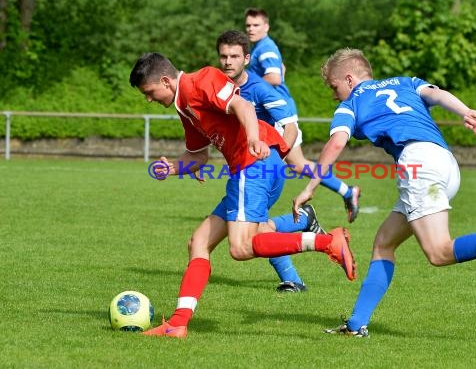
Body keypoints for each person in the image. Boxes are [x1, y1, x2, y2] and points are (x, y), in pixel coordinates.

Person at [292, 48, 476, 337]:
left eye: (334, 86)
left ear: (349, 79)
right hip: (444, 160)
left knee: (439, 252)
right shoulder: (404, 81)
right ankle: (356, 324)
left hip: (417, 165)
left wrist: (310, 187)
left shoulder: (351, 104)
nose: (334, 94)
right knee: (384, 242)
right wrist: (464, 111)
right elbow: (437, 95)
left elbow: (336, 144)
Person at [129, 52, 357, 338]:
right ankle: (178, 323)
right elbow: (198, 157)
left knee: (240, 248)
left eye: (149, 92)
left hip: (253, 164)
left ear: (165, 80)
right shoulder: (183, 105)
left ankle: (327, 241)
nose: (149, 99)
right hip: (255, 167)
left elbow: (243, 105)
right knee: (199, 241)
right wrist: (172, 168)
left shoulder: (201, 80)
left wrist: (251, 137)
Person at [216, 29, 327, 293]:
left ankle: (305, 240)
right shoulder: (219, 87)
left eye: (234, 56)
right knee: (260, 227)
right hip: (242, 167)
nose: (228, 61)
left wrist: (277, 153)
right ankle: (300, 233)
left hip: (261, 168)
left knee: (248, 236)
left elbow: (290, 125)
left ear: (246, 58)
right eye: (223, 56)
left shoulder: (261, 89)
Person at [244, 8, 361, 223]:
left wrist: (247, 83)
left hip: (277, 114)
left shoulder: (265, 48)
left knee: (264, 159)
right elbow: (281, 70)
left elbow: (275, 77)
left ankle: (251, 211)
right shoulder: (263, 48)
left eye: (256, 25)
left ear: (266, 26)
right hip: (279, 111)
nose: (251, 29)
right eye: (248, 25)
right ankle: (347, 191)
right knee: (297, 164)